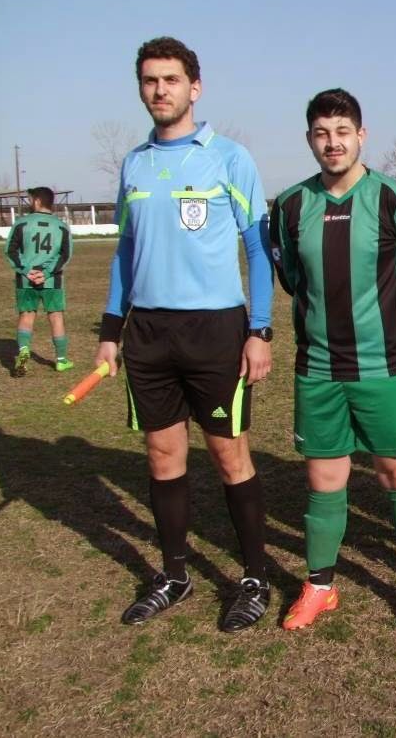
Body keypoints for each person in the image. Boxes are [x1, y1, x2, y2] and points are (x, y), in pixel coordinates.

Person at [95, 37, 273, 632]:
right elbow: (126, 251)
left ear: (194, 87)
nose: (160, 90)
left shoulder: (229, 158)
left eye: (171, 79)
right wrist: (111, 330)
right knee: (162, 454)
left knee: (228, 454)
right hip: (148, 331)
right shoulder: (134, 164)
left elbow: (258, 250)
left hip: (215, 330)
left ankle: (254, 577)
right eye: (150, 80)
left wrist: (260, 330)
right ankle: (174, 575)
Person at [270, 89, 396, 635]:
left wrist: (392, 316)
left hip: (383, 366)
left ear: (361, 136)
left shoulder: (395, 198)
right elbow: (292, 279)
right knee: (323, 479)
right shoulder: (290, 206)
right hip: (318, 368)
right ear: (309, 139)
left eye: (342, 132)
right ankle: (320, 586)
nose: (333, 143)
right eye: (322, 133)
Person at [4, 187, 73, 376]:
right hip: (52, 280)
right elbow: (66, 255)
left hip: (26, 280)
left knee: (26, 316)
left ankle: (24, 351)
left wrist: (27, 271)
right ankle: (61, 360)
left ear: (36, 201)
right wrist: (47, 273)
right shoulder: (61, 226)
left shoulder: (21, 223)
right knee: (56, 317)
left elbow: (10, 251)